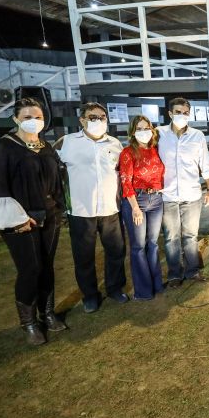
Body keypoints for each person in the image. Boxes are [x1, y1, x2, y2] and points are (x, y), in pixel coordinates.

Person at [0, 97, 66, 345]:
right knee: (30, 270)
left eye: (39, 117)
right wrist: (16, 219)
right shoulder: (4, 148)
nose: (34, 121)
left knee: (47, 266)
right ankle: (29, 323)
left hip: (50, 216)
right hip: (22, 220)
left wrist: (59, 208)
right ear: (15, 119)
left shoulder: (46, 147)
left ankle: (48, 313)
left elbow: (56, 180)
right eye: (27, 117)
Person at [56, 102, 127, 313]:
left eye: (102, 117)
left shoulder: (115, 144)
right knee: (84, 256)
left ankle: (114, 288)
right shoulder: (66, 143)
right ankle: (90, 295)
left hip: (110, 209)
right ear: (82, 120)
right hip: (81, 210)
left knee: (116, 252)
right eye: (92, 117)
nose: (98, 120)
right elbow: (53, 172)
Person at [157, 98, 209, 287]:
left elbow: (205, 164)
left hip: (191, 194)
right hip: (167, 195)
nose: (182, 115)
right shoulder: (159, 135)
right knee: (172, 237)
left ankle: (192, 271)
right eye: (178, 112)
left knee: (190, 236)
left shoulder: (197, 136)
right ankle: (174, 274)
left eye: (186, 112)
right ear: (170, 114)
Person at [119, 115, 165, 301]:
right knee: (138, 246)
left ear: (152, 130)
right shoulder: (128, 152)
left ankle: (157, 285)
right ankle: (144, 291)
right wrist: (135, 208)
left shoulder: (156, 149)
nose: (143, 132)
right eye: (139, 129)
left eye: (146, 128)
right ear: (132, 132)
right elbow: (125, 182)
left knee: (153, 244)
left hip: (156, 199)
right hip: (136, 200)